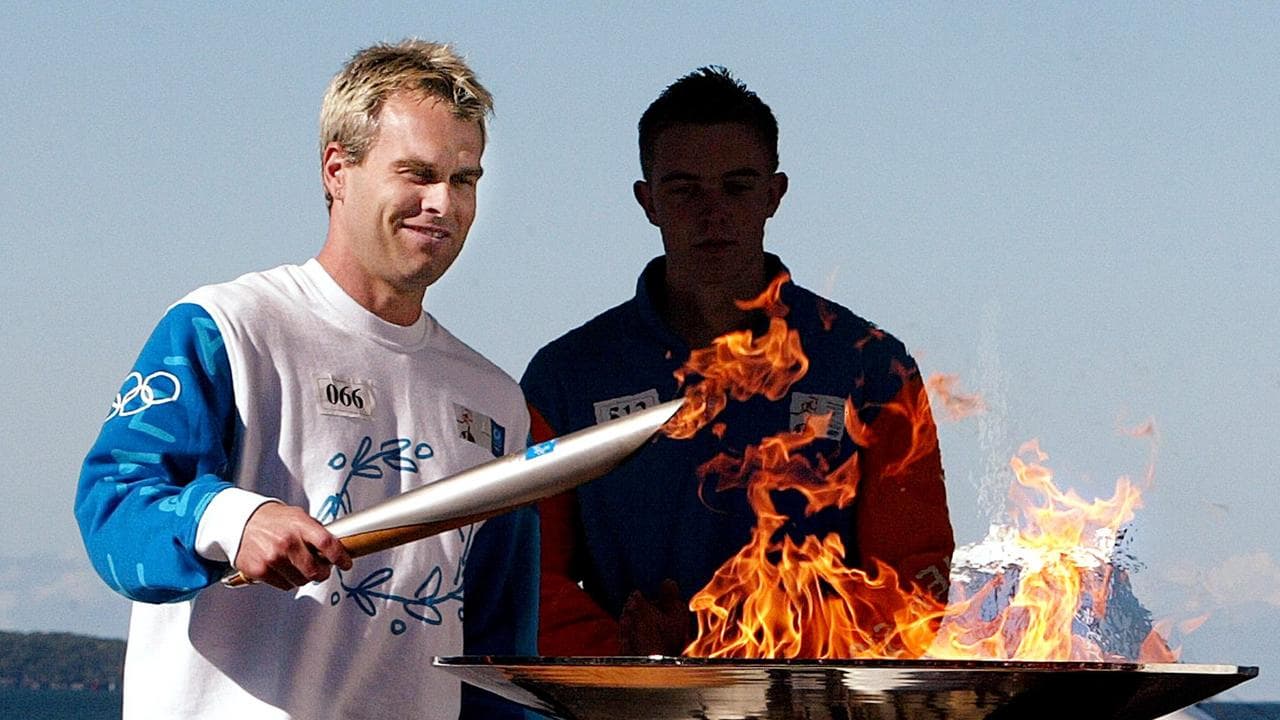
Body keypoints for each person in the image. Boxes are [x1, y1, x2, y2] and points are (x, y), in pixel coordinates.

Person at [74, 40, 536, 719]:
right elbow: (114, 507)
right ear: (338, 169)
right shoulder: (228, 328)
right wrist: (236, 518)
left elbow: (498, 657)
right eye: (417, 173)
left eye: (464, 179)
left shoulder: (495, 401)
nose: (443, 203)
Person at [521, 67, 954, 656]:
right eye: (684, 189)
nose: (712, 211)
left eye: (737, 185)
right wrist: (633, 659)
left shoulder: (869, 367)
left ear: (774, 194)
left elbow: (911, 580)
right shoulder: (567, 378)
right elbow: (525, 573)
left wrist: (759, 661)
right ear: (647, 201)